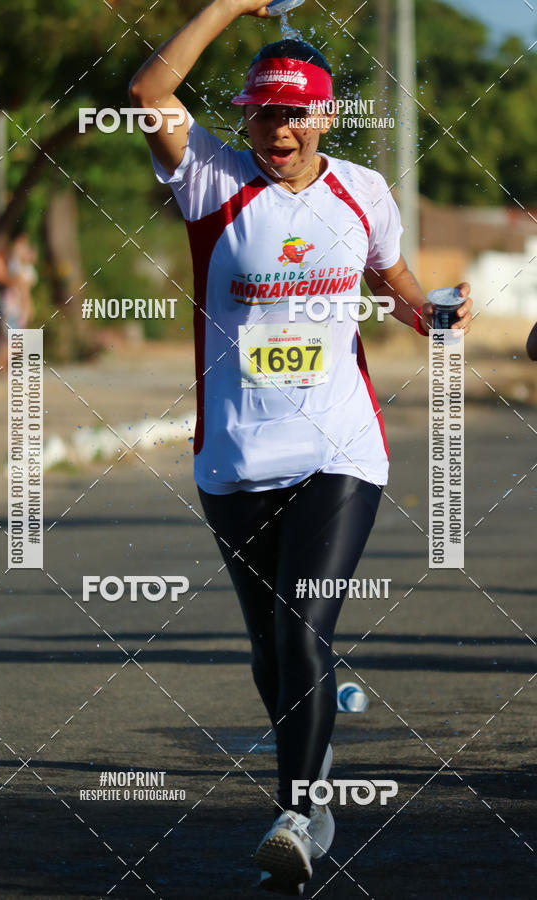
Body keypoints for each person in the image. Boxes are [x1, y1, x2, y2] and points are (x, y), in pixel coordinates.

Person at [129, 1, 473, 893]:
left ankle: (295, 808)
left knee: (303, 622)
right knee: (269, 648)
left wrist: (432, 311)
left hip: (341, 448)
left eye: (295, 113)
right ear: (246, 117)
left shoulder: (363, 190)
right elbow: (148, 88)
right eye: (263, 112)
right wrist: (227, 5)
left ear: (325, 114)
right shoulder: (210, 181)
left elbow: (395, 284)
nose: (279, 129)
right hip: (236, 456)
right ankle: (309, 799)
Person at [0, 231, 37, 367]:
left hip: (13, 307)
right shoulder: (16, 266)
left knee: (12, 343)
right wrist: (28, 306)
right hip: (14, 308)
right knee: (13, 343)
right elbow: (22, 288)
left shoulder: (16, 265)